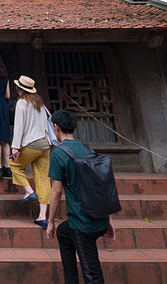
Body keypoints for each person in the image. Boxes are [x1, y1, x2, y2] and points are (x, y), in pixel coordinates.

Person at [46, 109, 116, 284]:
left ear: (56, 128)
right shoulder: (87, 149)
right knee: (63, 233)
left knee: (92, 274)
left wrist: (50, 222)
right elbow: (102, 185)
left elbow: (56, 192)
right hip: (99, 217)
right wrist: (109, 221)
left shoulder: (58, 153)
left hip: (83, 224)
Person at [10, 75, 52, 228]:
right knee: (43, 179)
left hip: (32, 143)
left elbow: (19, 127)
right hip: (45, 145)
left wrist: (15, 147)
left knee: (14, 165)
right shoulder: (39, 103)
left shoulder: (22, 103)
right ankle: (42, 216)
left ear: (20, 88)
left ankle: (28, 191)